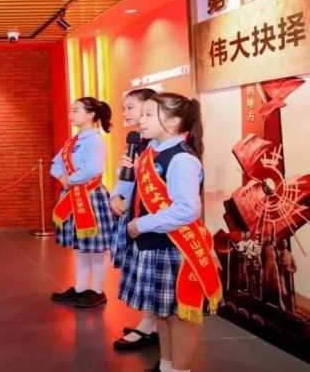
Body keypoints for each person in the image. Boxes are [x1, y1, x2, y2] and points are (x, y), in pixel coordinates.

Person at [118, 93, 222, 372]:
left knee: (179, 318)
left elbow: (187, 210)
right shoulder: (151, 151)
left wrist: (142, 224)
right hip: (155, 245)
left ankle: (180, 369)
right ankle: (166, 365)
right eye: (142, 113)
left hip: (174, 247)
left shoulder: (182, 159)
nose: (141, 120)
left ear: (174, 122)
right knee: (162, 314)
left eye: (148, 115)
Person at [50, 97, 115, 308]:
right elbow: (56, 163)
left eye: (75, 110)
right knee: (81, 248)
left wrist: (70, 180)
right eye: (70, 110)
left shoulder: (95, 140)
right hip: (73, 195)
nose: (70, 115)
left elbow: (93, 168)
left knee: (95, 248)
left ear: (91, 115)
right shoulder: (73, 141)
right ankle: (80, 289)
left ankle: (96, 290)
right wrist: (61, 177)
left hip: (91, 196)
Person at [109, 88, 160, 350]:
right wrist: (116, 197)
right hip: (136, 218)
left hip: (152, 222)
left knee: (153, 280)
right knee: (143, 276)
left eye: (131, 107)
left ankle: (149, 327)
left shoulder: (160, 148)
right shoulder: (137, 144)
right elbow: (126, 178)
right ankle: (150, 325)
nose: (125, 113)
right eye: (124, 108)